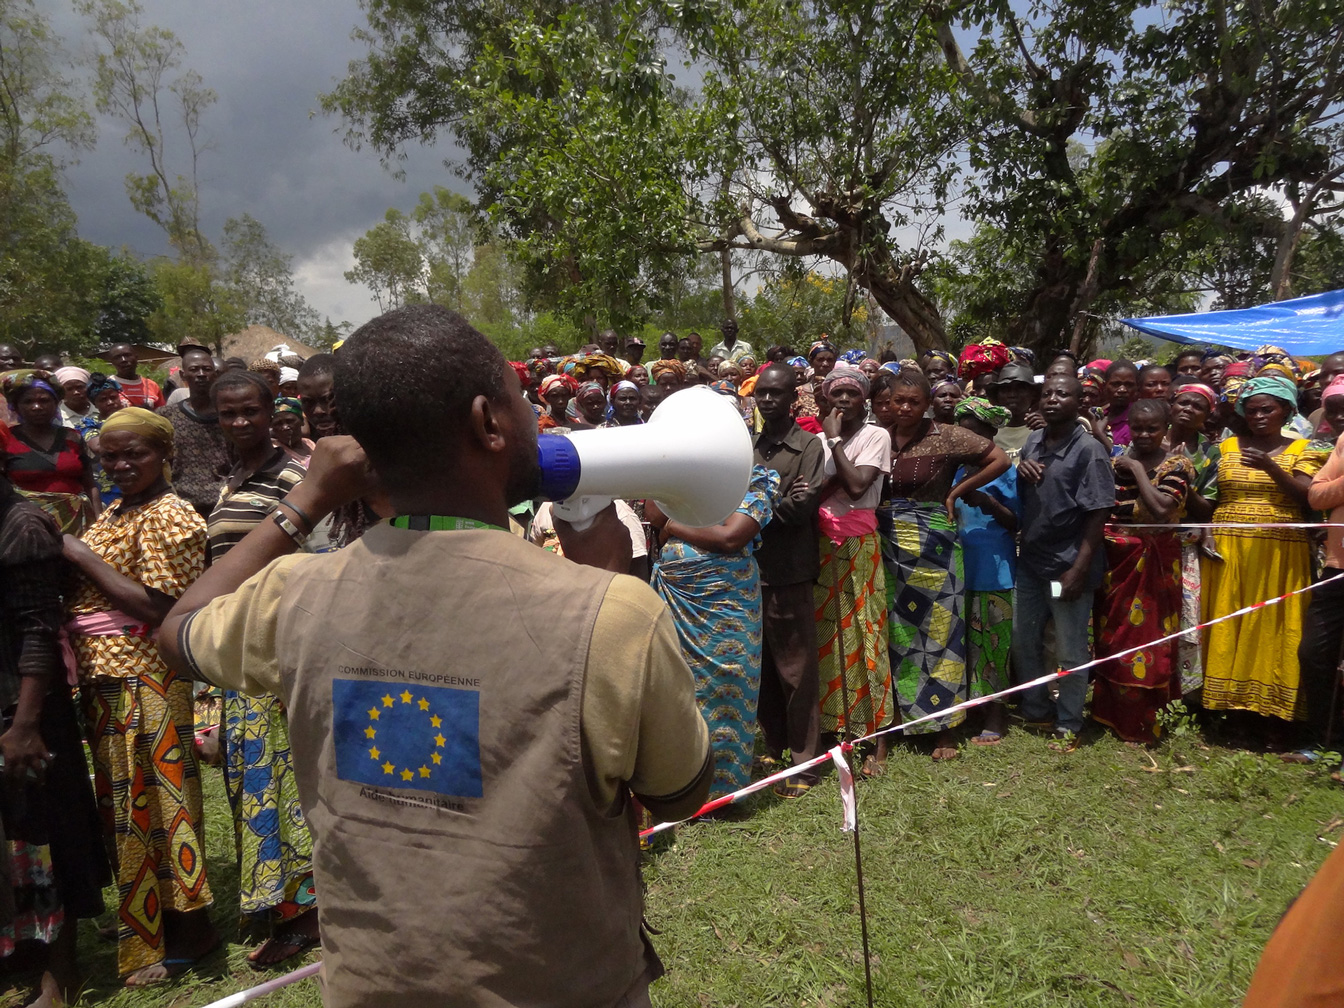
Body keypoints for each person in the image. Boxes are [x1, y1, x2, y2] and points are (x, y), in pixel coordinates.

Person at [157, 304, 712, 1008]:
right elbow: (681, 792)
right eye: (523, 407)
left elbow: (179, 629)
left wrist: (308, 497)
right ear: (488, 422)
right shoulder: (616, 615)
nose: (540, 425)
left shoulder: (294, 594)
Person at [61, 408, 217, 985]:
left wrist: (78, 554)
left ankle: (191, 929)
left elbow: (162, 609)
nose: (121, 465)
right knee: (125, 810)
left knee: (160, 808)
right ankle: (144, 918)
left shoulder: (171, 516)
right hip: (107, 682)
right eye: (110, 457)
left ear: (164, 455)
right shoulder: (113, 515)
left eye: (135, 455)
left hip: (147, 678)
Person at [206, 372, 318, 966]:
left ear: (273, 410)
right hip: (240, 646)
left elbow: (313, 560)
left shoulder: (293, 479)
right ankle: (278, 900)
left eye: (251, 411)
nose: (240, 422)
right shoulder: (233, 482)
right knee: (256, 780)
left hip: (279, 648)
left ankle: (305, 912)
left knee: (292, 781)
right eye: (229, 414)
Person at [0, 473, 111, 1008]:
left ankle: (60, 975)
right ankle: (20, 954)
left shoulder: (21, 527)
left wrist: (24, 725)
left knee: (46, 836)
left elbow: (39, 629)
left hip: (25, 709)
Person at [869, 368, 1010, 765]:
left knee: (941, 633)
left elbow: (998, 459)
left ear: (928, 403)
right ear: (888, 402)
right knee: (893, 634)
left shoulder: (945, 435)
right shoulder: (879, 435)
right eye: (899, 400)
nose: (906, 408)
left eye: (915, 401)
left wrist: (957, 491)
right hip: (886, 546)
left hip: (934, 549)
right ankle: (895, 722)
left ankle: (943, 727)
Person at [1202, 374, 1327, 739]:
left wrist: (1271, 467)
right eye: (1251, 410)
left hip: (1279, 553)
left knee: (1271, 626)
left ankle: (1269, 714)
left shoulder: (1306, 448)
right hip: (1229, 548)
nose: (1258, 416)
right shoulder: (1224, 449)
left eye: (1267, 409)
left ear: (1287, 410)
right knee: (1228, 622)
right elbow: (1211, 499)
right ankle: (1227, 710)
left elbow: (1307, 497)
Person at [649, 465, 776, 799]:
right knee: (680, 687)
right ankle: (684, 787)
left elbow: (730, 537)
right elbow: (652, 510)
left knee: (730, 683)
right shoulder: (678, 471)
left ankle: (723, 790)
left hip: (728, 599)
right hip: (678, 596)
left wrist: (673, 524)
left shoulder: (756, 478)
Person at [1012, 375, 1116, 750]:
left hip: (1067, 565)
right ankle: (1036, 708)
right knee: (1024, 639)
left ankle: (1070, 719)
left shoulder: (1089, 450)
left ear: (1079, 403)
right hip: (1032, 562)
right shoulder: (1033, 442)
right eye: (1048, 394)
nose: (1053, 400)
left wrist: (1078, 570)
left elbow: (1098, 514)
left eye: (1063, 394)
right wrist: (1021, 468)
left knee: (1070, 647)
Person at [1091, 399, 1194, 743]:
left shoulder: (1177, 465)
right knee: (1113, 634)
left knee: (1149, 640)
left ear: (1166, 428)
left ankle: (1145, 721)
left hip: (1155, 565)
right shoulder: (1114, 461)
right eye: (1137, 428)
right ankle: (1109, 713)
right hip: (1116, 562)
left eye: (1153, 428)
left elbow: (1162, 509)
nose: (1145, 434)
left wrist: (1135, 468)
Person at [751, 365, 826, 798]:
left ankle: (807, 762)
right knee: (761, 665)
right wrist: (776, 498)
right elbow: (729, 500)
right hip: (750, 570)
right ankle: (775, 744)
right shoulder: (746, 447)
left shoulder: (808, 446)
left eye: (776, 394)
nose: (767, 400)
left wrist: (756, 506)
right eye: (761, 393)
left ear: (792, 399)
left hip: (789, 570)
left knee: (796, 670)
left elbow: (802, 507)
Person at [813, 366, 892, 750]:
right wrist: (827, 440)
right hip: (823, 545)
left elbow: (859, 487)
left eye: (852, 394)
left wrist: (834, 440)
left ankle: (877, 735)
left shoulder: (876, 435)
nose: (843, 400)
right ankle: (835, 724)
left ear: (865, 399)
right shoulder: (816, 440)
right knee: (830, 635)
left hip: (859, 545)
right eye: (837, 393)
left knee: (866, 632)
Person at [952, 397, 1019, 745]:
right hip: (959, 568)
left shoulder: (1005, 470)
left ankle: (996, 714)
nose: (966, 440)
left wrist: (990, 503)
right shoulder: (955, 468)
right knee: (966, 646)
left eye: (972, 433)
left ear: (990, 435)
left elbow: (1016, 521)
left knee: (994, 645)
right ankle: (969, 710)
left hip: (994, 570)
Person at [1164, 380, 1222, 695]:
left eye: (1197, 406)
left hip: (1185, 547)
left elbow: (1206, 509)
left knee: (1186, 620)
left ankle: (1185, 694)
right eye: (1183, 403)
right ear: (1171, 406)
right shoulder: (1148, 436)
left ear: (1207, 415)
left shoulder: (1211, 453)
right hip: (1148, 544)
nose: (1187, 410)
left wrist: (1183, 473)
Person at [1300, 388, 1344, 754]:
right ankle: (1325, 741)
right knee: (1314, 653)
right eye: (1334, 412)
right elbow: (1316, 496)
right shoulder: (1343, 442)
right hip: (1336, 566)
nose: (1339, 418)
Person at [1, 371, 98, 534]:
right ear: (16, 406)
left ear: (56, 403)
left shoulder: (72, 437)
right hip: (28, 528)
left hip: (78, 525)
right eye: (28, 401)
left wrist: (98, 522)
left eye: (44, 400)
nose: (37, 407)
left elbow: (90, 484)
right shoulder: (7, 440)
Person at [157, 344, 229, 519]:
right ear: (183, 375)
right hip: (180, 508)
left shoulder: (229, 416)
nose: (201, 374)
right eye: (194, 369)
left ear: (215, 374)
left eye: (206, 369)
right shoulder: (166, 416)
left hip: (224, 505)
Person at [987, 362, 1036, 464]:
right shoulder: (987, 431)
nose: (1012, 395)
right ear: (997, 396)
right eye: (1005, 389)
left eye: (1020, 389)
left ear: (1033, 394)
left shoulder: (1043, 432)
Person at [105, 344, 164, 409]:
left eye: (127, 355)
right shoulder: (107, 386)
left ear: (136, 357)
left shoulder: (152, 385)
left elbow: (162, 413)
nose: (123, 360)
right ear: (112, 362)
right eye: (117, 357)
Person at [1104, 359, 1139, 447]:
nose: (1122, 390)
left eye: (1129, 385)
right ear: (1105, 385)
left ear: (1137, 387)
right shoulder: (1097, 415)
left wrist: (1099, 433)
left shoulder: (1139, 420)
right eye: (1115, 384)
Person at [272, 396, 314, 465]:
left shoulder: (309, 443)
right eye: (278, 423)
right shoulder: (276, 451)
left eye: (290, 421)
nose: (285, 427)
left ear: (302, 421)